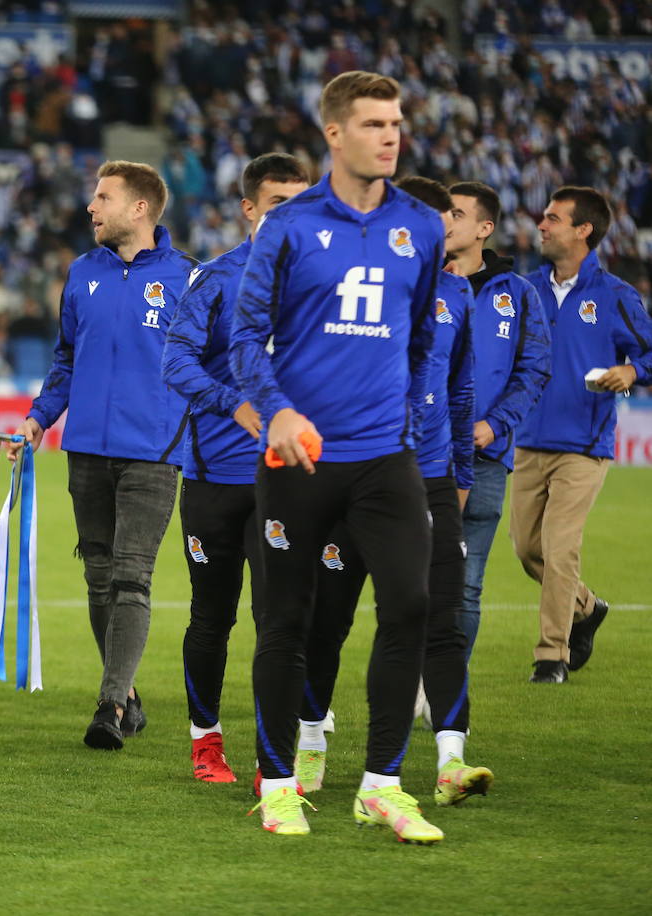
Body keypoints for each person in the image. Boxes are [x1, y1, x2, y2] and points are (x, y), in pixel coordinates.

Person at [229, 71, 446, 842]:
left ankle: (381, 786)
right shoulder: (288, 227)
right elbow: (244, 337)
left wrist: (402, 415)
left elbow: (421, 339)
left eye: (396, 123)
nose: (390, 136)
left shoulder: (422, 226)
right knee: (286, 619)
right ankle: (278, 785)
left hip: (385, 455)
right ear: (334, 133)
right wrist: (279, 410)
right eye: (374, 124)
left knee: (411, 605)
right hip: (298, 458)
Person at [296, 176, 494, 809]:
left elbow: (461, 392)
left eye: (445, 222)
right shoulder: (355, 282)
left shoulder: (458, 295)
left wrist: (460, 479)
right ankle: (310, 741)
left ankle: (451, 761)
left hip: (428, 479)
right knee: (327, 621)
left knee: (439, 620)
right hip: (352, 473)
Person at [13, 160, 196, 750]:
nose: (91, 207)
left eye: (103, 197)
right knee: (98, 579)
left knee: (131, 577)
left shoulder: (188, 279)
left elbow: (207, 364)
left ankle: (110, 705)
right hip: (86, 448)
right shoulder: (81, 272)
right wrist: (39, 418)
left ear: (139, 208)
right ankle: (128, 692)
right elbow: (66, 359)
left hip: (153, 453)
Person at [161, 152, 308, 782]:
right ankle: (206, 740)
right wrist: (234, 403)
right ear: (249, 208)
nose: (292, 216)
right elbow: (175, 362)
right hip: (215, 480)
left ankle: (276, 757)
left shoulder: (322, 284)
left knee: (281, 622)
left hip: (289, 480)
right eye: (278, 204)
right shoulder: (217, 279)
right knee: (211, 617)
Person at [513, 186, 652, 683]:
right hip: (528, 438)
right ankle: (588, 608)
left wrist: (632, 371)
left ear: (583, 230)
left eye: (553, 218)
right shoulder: (524, 288)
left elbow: (649, 353)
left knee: (560, 548)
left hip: (584, 445)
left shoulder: (615, 295)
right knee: (527, 549)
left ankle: (552, 655)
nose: (541, 225)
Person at [444, 181, 551, 662]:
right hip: (420, 455)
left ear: (484, 228)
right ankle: (412, 678)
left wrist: (494, 425)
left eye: (457, 214)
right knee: (409, 579)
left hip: (484, 457)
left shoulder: (520, 295)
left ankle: (446, 688)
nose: (446, 221)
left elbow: (535, 370)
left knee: (466, 585)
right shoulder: (420, 282)